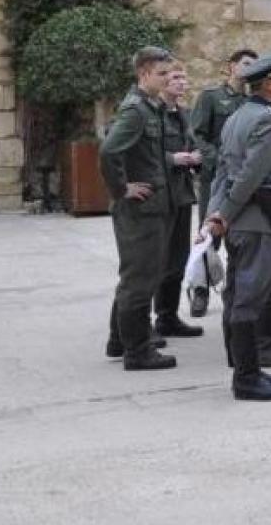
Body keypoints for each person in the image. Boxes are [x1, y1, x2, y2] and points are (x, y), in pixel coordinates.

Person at [206, 51, 271, 401]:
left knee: (238, 292)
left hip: (245, 219)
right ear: (269, 84)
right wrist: (226, 213)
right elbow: (250, 174)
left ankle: (245, 366)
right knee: (249, 296)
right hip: (259, 220)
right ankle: (246, 379)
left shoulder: (238, 116)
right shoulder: (265, 120)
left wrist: (216, 212)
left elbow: (223, 170)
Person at [100, 47, 184, 370]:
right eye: (161, 74)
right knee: (141, 280)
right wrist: (122, 189)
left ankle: (118, 340)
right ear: (143, 74)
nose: (166, 80)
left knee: (135, 276)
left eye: (168, 73)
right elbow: (108, 151)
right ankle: (138, 351)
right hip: (141, 210)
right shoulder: (136, 110)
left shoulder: (151, 107)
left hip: (155, 206)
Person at [186, 47, 255, 314]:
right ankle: (200, 290)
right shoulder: (211, 98)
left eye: (254, 65)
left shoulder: (251, 102)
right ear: (231, 66)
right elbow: (196, 134)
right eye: (246, 63)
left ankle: (234, 291)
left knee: (240, 237)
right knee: (208, 235)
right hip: (215, 178)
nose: (249, 69)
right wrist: (215, 158)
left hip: (242, 180)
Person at [153, 64, 205, 340]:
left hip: (182, 194)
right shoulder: (150, 114)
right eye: (174, 77)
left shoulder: (185, 115)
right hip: (159, 197)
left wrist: (197, 156)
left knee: (177, 260)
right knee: (153, 262)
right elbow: (141, 154)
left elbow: (194, 143)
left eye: (184, 77)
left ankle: (167, 317)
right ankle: (138, 326)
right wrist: (173, 159)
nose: (181, 82)